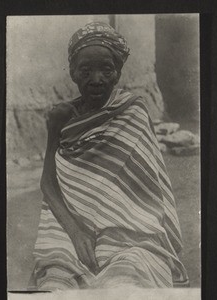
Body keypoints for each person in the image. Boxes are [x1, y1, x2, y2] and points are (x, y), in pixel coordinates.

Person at [29, 22, 189, 290]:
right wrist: (75, 229)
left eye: (106, 69)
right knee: (56, 286)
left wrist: (118, 227)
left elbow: (149, 189)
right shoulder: (60, 117)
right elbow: (48, 181)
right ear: (72, 73)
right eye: (85, 70)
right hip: (70, 226)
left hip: (130, 232)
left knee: (125, 284)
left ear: (117, 74)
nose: (96, 79)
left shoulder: (133, 111)